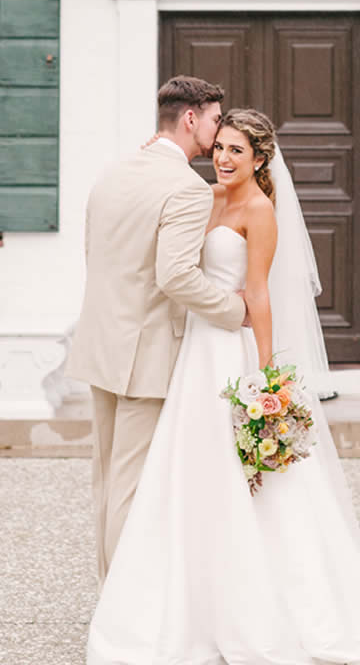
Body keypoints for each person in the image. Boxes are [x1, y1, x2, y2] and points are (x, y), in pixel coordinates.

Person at [86, 107, 360, 665]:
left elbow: (260, 296)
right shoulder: (201, 197)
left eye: (236, 151)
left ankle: (255, 599)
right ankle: (179, 593)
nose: (223, 158)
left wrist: (268, 377)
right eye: (220, 147)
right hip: (190, 354)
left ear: (260, 158)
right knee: (184, 471)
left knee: (242, 476)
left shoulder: (259, 210)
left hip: (230, 351)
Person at [65, 76, 246, 590]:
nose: (217, 131)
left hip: (101, 340)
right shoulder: (186, 187)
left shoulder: (114, 172)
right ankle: (125, 610)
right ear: (191, 118)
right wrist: (233, 310)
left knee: (107, 480)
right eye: (214, 119)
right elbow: (176, 276)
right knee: (133, 483)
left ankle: (110, 593)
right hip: (145, 352)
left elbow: (95, 257)